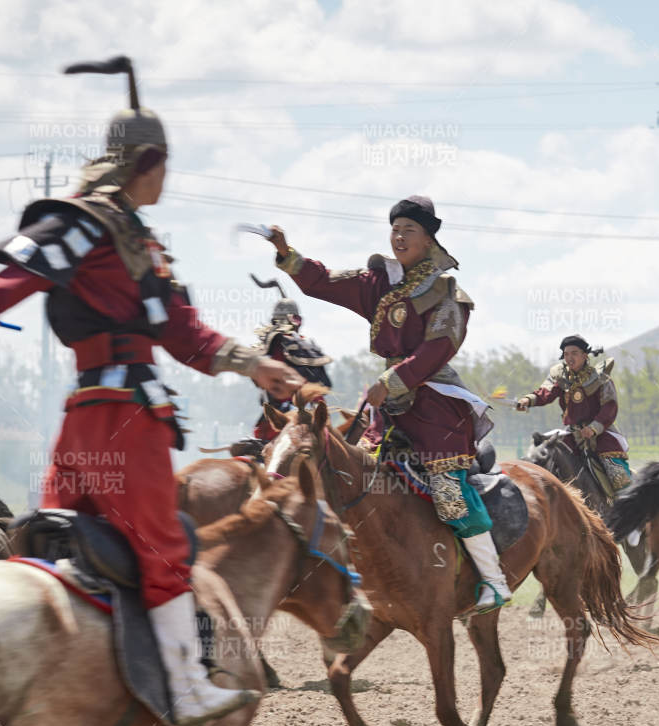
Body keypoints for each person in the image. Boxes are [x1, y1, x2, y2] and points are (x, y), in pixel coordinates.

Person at [0, 57, 301, 724]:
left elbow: (185, 332)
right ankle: (185, 685)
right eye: (165, 163)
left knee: (52, 539)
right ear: (147, 160)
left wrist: (253, 364)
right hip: (129, 422)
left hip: (87, 419)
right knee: (163, 547)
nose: (168, 177)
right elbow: (25, 267)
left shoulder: (139, 240)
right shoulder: (90, 220)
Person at [265, 196, 513, 613]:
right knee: (352, 476)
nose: (398, 236)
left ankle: (494, 580)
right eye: (394, 228)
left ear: (429, 237)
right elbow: (323, 281)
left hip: (436, 405)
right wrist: (287, 254)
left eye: (408, 230)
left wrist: (393, 378)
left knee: (448, 490)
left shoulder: (447, 291)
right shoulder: (379, 282)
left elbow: (439, 348)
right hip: (386, 404)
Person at [515, 334, 632, 492]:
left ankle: (627, 506)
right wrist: (527, 400)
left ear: (585, 355)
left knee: (617, 476)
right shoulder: (561, 378)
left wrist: (593, 428)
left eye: (574, 353)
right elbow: (545, 393)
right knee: (545, 455)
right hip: (572, 434)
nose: (569, 358)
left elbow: (609, 408)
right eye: (566, 354)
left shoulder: (601, 378)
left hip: (600, 435)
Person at [248, 273, 331, 440]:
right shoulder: (305, 347)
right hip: (299, 421)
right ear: (297, 321)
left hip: (272, 425)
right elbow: (322, 389)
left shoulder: (267, 348)